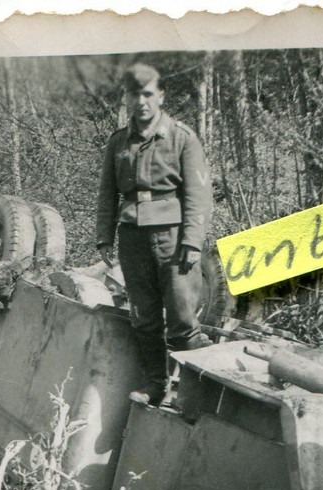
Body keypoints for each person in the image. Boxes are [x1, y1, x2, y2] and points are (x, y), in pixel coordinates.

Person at [95, 63, 214, 406]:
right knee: (144, 317)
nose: (142, 102)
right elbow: (107, 193)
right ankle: (155, 385)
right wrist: (105, 236)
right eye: (135, 94)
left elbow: (197, 193)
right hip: (132, 236)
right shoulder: (118, 143)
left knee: (182, 319)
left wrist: (192, 239)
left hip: (173, 237)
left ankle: (193, 394)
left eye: (148, 94)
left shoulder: (181, 138)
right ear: (127, 98)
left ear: (161, 95)